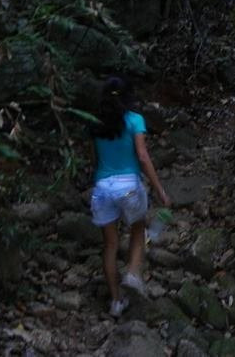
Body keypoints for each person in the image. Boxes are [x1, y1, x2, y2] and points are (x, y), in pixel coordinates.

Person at [88, 76, 170, 317]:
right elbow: (143, 157)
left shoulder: (95, 124)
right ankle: (133, 274)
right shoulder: (135, 121)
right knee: (138, 229)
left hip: (102, 188)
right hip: (129, 187)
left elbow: (94, 160)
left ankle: (115, 302)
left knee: (110, 245)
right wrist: (159, 190)